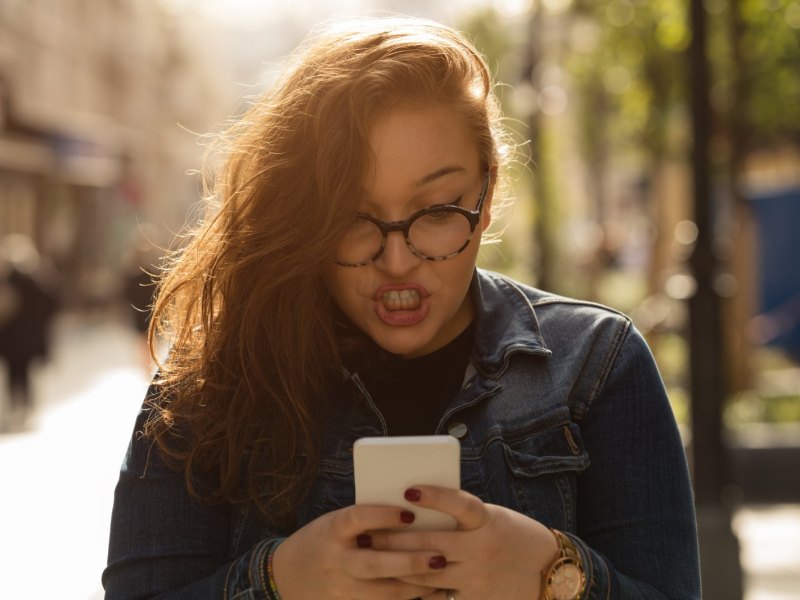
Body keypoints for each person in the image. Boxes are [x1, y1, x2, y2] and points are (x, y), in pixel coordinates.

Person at [103, 16, 701, 600]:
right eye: (353, 217)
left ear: (486, 197)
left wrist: (553, 575)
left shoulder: (596, 366)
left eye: (438, 211)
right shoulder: (213, 380)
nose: (396, 260)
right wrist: (279, 582)